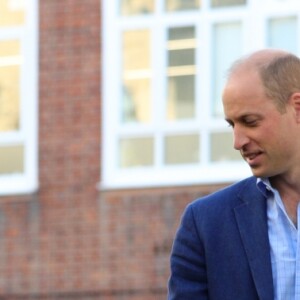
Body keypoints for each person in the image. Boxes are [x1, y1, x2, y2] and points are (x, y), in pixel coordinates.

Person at [168, 49, 300, 300]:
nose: (237, 142)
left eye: (250, 121)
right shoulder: (206, 223)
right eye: (232, 124)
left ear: (297, 107)